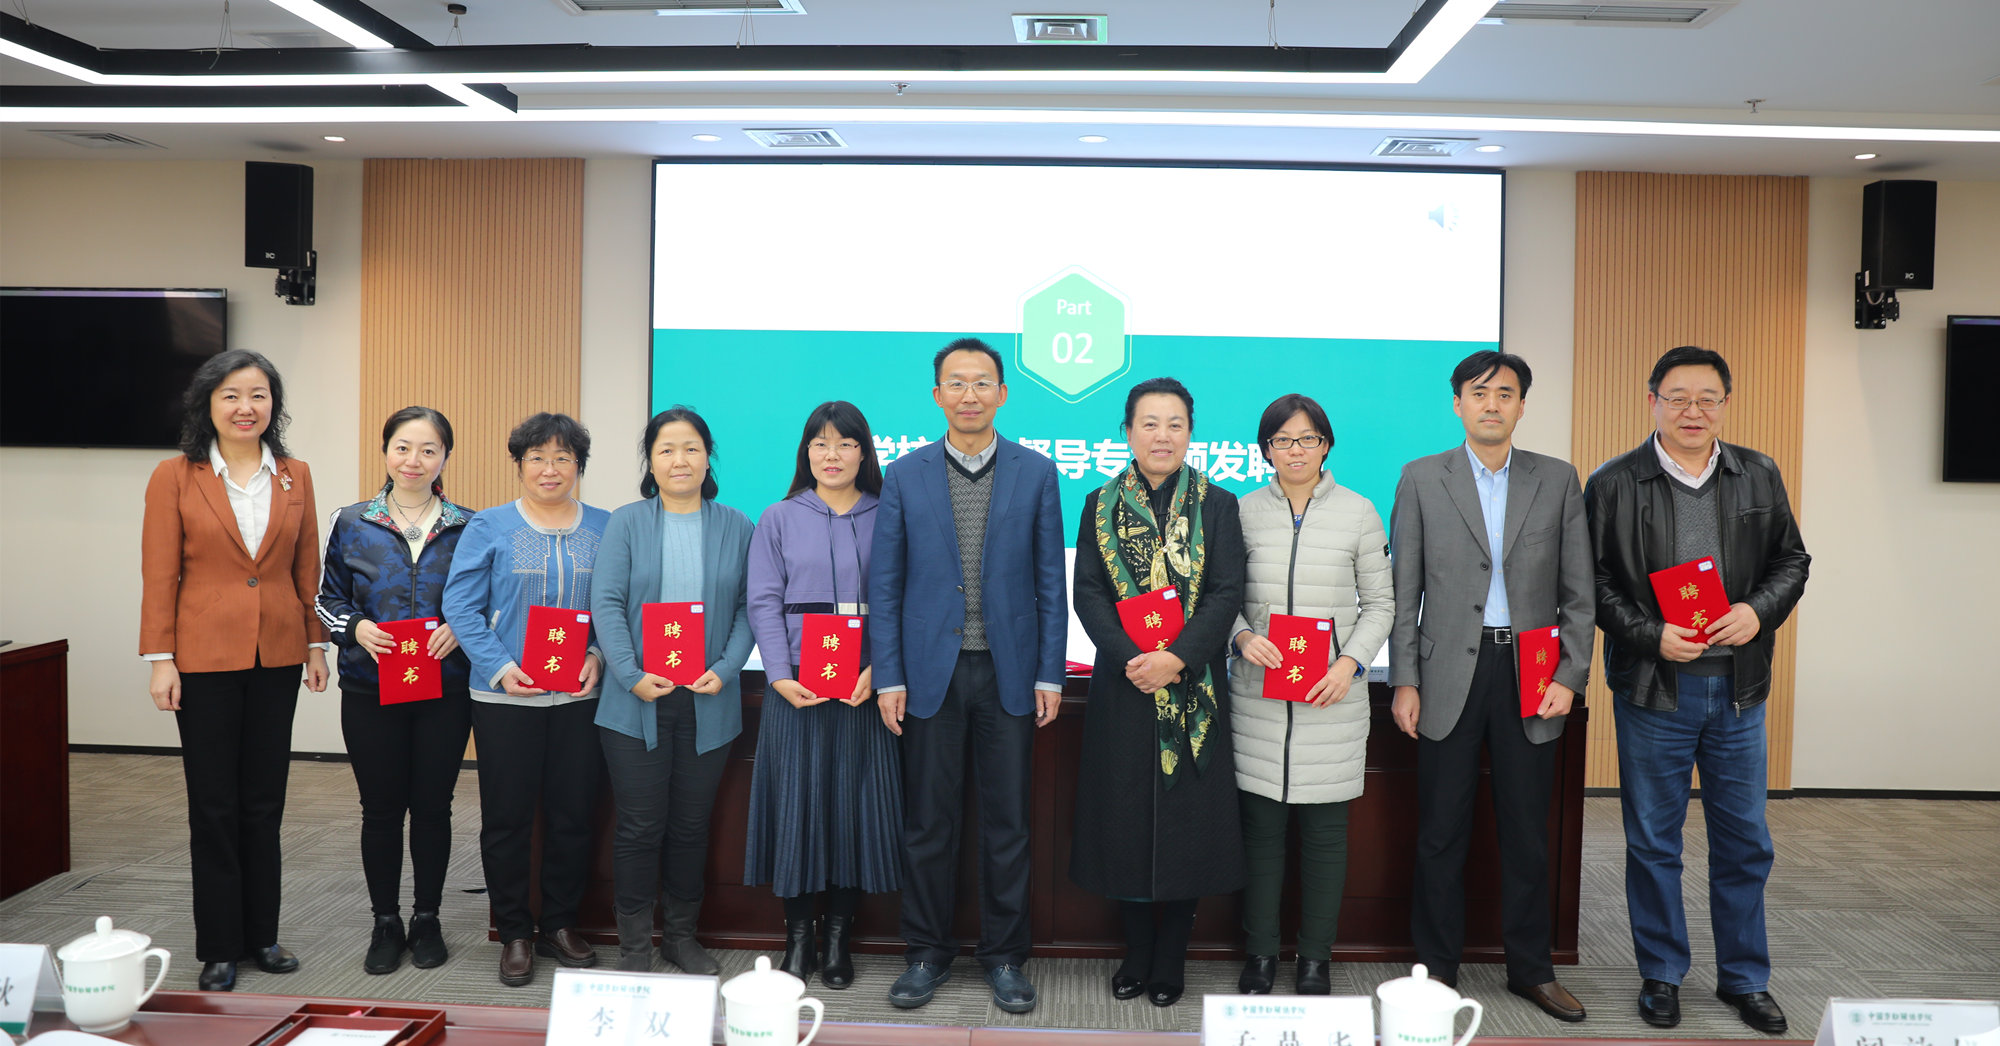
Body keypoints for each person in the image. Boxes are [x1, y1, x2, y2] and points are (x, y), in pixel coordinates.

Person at [1584, 345, 1809, 1034]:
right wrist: (1650, 635)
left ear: (1725, 405)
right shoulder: (1614, 482)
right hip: (1655, 690)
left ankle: (1745, 978)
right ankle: (1661, 973)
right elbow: (1592, 581)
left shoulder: (1758, 473)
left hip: (1738, 690)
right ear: (1651, 400)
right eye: (1677, 397)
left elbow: (1792, 561)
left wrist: (1756, 612)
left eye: (1707, 398)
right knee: (1655, 842)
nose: (1693, 410)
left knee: (1745, 841)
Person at [1388, 350, 1594, 1023]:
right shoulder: (1422, 477)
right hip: (1448, 673)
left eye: (1505, 393)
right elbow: (1404, 592)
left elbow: (1579, 591)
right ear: (1458, 404)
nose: (1492, 404)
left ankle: (1531, 970)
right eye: (1479, 393)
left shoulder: (1557, 479)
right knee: (1439, 833)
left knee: (1527, 833)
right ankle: (1436, 972)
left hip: (1531, 672)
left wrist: (1570, 674)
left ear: (1522, 405)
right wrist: (1405, 680)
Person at [870, 338, 1067, 1014]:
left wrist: (1050, 674)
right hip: (930, 675)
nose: (969, 394)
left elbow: (1049, 582)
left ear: (1002, 394)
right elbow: (886, 585)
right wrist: (889, 676)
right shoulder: (906, 475)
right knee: (929, 824)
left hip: (1010, 673)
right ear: (937, 396)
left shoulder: (1036, 472)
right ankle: (926, 953)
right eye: (956, 383)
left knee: (1008, 825)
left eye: (982, 382)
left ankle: (1005, 956)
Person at [140, 349, 330, 992]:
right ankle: (220, 945)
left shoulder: (295, 475)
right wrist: (160, 659)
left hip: (277, 654)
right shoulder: (175, 475)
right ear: (208, 404)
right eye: (231, 395)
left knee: (265, 801)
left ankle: (262, 936)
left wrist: (315, 645)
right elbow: (160, 573)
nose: (246, 407)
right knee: (214, 804)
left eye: (258, 395)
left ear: (274, 405)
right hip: (202, 659)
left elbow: (307, 569)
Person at [1071, 376, 1247, 1007]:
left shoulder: (1218, 505)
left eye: (1175, 424)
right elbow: (1088, 593)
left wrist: (1176, 658)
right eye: (1149, 423)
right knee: (1124, 823)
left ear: (1191, 433)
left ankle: (1171, 955)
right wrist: (1134, 660)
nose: (1162, 436)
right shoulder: (1098, 504)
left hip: (1194, 689)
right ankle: (1137, 950)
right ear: (1127, 432)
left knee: (1186, 824)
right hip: (1125, 688)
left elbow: (1226, 592)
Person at [1226, 393, 1392, 996]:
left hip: (1332, 697)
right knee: (1260, 837)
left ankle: (1315, 958)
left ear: (1326, 445)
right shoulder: (1241, 512)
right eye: (1282, 440)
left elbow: (1381, 604)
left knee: (1325, 840)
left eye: (1308, 439)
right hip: (1258, 700)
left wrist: (1350, 663)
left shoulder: (1359, 512)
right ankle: (1261, 954)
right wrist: (1242, 636)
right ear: (1265, 449)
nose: (1295, 451)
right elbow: (1218, 597)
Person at [441, 412, 610, 987]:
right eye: (537, 457)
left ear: (579, 466)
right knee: (507, 820)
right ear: (519, 464)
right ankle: (514, 930)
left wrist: (598, 654)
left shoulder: (606, 527)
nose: (549, 469)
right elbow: (460, 606)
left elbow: (616, 604)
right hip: (504, 699)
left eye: (563, 458)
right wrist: (500, 667)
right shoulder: (488, 526)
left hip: (579, 698)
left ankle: (560, 923)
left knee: (573, 816)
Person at [591, 406, 756, 975]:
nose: (679, 459)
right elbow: (606, 603)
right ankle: (635, 948)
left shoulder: (737, 525)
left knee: (691, 827)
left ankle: (680, 938)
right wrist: (630, 673)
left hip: (709, 698)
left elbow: (748, 608)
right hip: (635, 699)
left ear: (708, 457)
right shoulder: (626, 522)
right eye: (666, 449)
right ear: (651, 461)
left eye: (691, 448)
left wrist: (727, 667)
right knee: (640, 826)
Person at [744, 401, 902, 989]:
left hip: (863, 690)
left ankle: (837, 940)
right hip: (797, 690)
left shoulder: (889, 514)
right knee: (798, 810)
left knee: (851, 814)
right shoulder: (779, 517)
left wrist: (881, 670)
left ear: (864, 452)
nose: (831, 455)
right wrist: (779, 674)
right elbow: (763, 600)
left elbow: (905, 599)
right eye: (820, 443)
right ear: (805, 452)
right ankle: (798, 938)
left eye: (845, 443)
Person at [315, 407, 474, 976]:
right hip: (369, 687)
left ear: (445, 457)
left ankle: (427, 917)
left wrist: (462, 627)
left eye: (429, 450)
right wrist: (356, 628)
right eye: (403, 447)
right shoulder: (351, 521)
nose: (414, 460)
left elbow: (488, 599)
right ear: (386, 451)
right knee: (380, 809)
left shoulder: (469, 525)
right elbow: (326, 598)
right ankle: (385, 921)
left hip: (445, 689)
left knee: (433, 807)